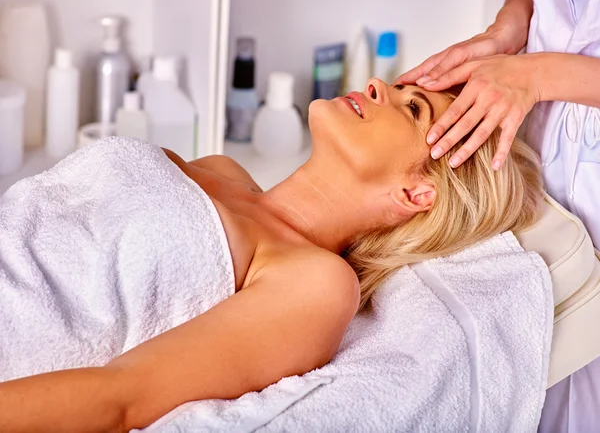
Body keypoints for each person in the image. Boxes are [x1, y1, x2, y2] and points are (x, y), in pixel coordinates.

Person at [0, 79, 542, 432]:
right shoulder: (221, 169)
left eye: (412, 108)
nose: (378, 85)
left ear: (415, 193)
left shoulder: (315, 285)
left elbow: (124, 399)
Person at [396, 0, 600, 430]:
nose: (376, 84)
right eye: (410, 106)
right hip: (543, 166)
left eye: (413, 106)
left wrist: (538, 74)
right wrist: (510, 21)